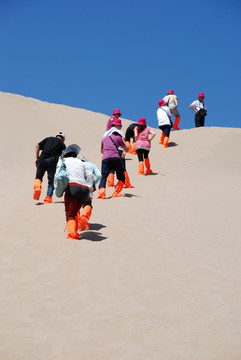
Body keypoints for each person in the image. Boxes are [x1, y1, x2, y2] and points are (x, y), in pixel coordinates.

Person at [60, 145, 93, 239]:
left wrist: (58, 191)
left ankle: (72, 234)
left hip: (73, 188)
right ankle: (76, 229)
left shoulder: (63, 161)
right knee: (75, 211)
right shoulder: (81, 162)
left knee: (70, 213)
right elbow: (90, 175)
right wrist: (90, 192)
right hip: (85, 190)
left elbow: (59, 176)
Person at [97, 118, 129, 199]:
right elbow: (126, 148)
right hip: (115, 157)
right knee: (121, 176)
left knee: (104, 176)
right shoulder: (119, 137)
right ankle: (116, 192)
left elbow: (101, 150)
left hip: (105, 158)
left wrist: (107, 153)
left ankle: (101, 194)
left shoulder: (104, 138)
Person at [33, 132, 66, 203]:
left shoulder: (48, 139)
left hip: (42, 159)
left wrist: (37, 158)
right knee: (51, 181)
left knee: (38, 177)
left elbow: (37, 146)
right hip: (52, 160)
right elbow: (64, 154)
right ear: (63, 139)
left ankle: (37, 188)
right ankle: (48, 198)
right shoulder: (62, 144)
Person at [78, 155, 101, 231]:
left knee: (75, 205)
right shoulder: (91, 164)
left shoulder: (75, 165)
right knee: (87, 204)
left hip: (75, 185)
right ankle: (84, 218)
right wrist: (93, 182)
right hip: (88, 186)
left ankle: (75, 223)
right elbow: (99, 175)